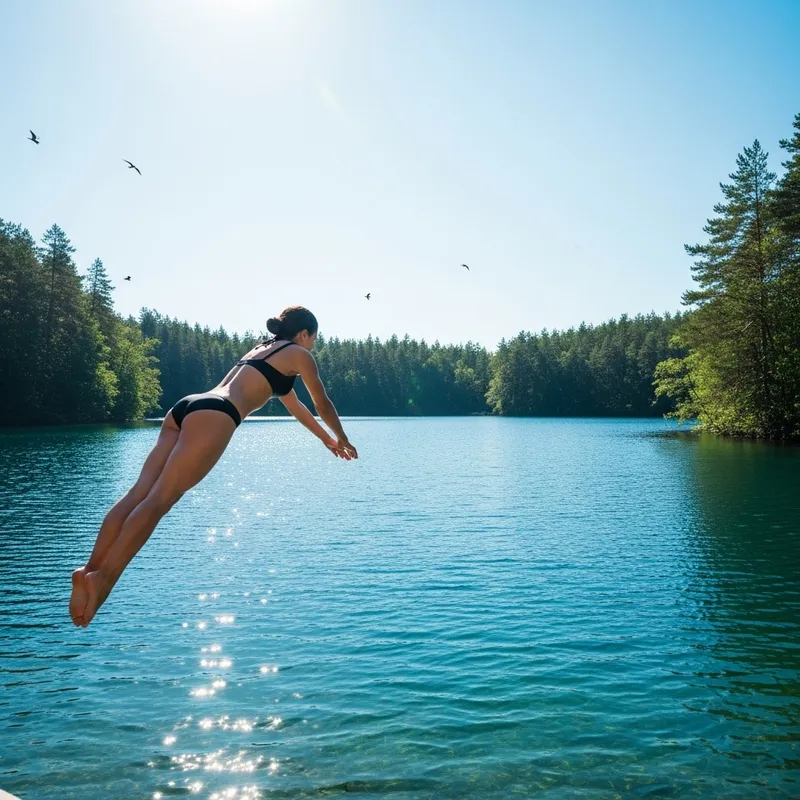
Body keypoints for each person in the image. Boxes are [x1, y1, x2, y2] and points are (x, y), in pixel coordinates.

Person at [69, 306, 357, 628]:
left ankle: (89, 568)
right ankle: (103, 579)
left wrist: (326, 440)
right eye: (313, 339)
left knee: (139, 493)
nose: (312, 347)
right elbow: (321, 402)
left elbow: (299, 409)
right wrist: (343, 436)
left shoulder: (264, 350)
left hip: (186, 407)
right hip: (218, 415)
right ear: (304, 333)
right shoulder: (300, 355)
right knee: (159, 500)